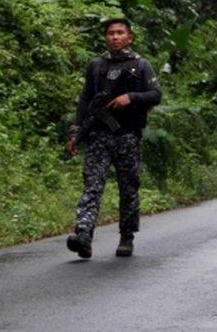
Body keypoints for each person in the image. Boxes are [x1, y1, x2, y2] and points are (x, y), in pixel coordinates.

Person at [65, 18, 161, 259]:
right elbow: (86, 99)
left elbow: (156, 94)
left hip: (127, 135)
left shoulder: (141, 65)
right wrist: (77, 131)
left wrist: (131, 97)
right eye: (110, 33)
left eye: (120, 33)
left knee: (129, 188)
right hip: (98, 135)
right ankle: (83, 234)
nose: (115, 37)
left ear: (130, 37)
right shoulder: (96, 65)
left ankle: (127, 236)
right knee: (92, 185)